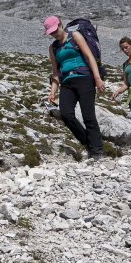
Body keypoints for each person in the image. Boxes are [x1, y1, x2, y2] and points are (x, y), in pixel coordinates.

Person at [44, 16, 106, 160]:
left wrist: (97, 78)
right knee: (66, 114)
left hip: (84, 78)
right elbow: (55, 72)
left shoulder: (75, 36)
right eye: (51, 32)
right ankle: (87, 142)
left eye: (55, 30)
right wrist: (52, 92)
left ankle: (97, 151)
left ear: (60, 24)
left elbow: (89, 57)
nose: (54, 34)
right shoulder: (53, 48)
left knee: (88, 116)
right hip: (66, 82)